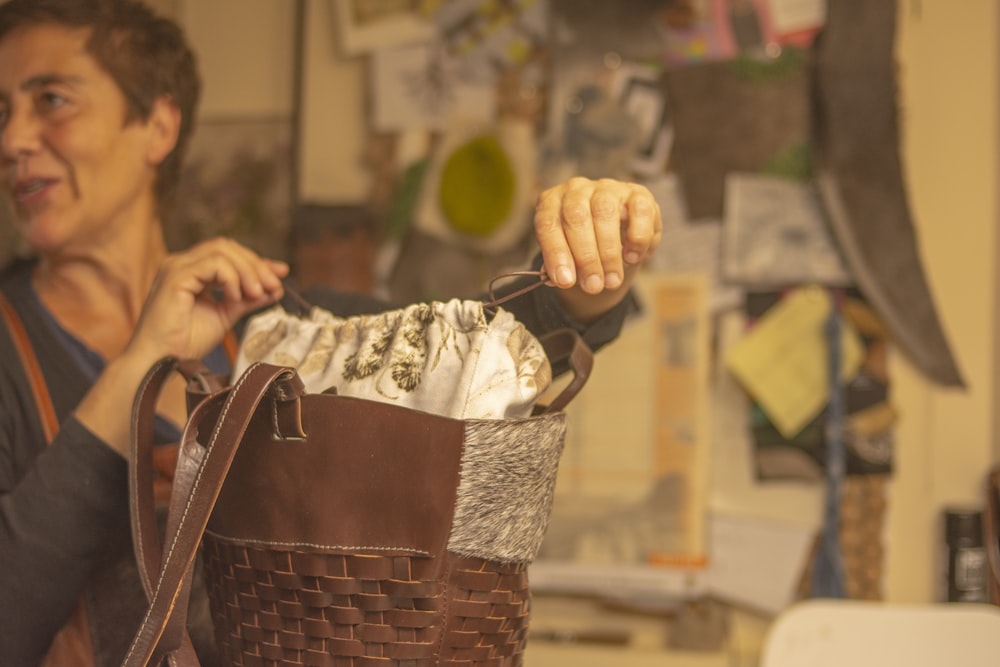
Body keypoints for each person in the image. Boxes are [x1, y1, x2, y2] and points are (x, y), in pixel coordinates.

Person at [0, 0, 663, 665]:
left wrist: (587, 270)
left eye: (51, 99)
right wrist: (139, 363)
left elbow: (487, 361)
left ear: (158, 126)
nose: (12, 141)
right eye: (3, 112)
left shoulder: (277, 331)